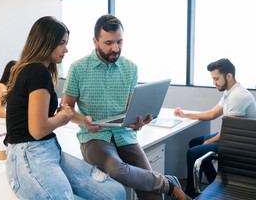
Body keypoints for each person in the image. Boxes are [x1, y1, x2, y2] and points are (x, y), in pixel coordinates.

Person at [63, 14, 191, 200]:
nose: (115, 48)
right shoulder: (78, 68)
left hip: (125, 134)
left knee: (152, 194)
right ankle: (168, 183)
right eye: (108, 43)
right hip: (94, 136)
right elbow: (66, 109)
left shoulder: (130, 68)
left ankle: (164, 185)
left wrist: (139, 121)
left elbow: (132, 108)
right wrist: (82, 120)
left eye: (119, 42)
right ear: (95, 41)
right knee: (116, 168)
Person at [1, 16, 125, 200]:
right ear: (45, 43)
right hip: (27, 154)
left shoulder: (35, 70)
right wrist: (62, 116)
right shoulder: (37, 71)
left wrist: (72, 118)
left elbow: (41, 124)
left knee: (116, 192)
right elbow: (38, 130)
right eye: (61, 43)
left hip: (49, 148)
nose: (65, 49)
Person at [174, 58, 256, 198]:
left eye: (216, 79)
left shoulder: (238, 96)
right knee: (194, 143)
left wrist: (209, 141)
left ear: (229, 76)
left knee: (193, 152)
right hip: (232, 135)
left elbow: (229, 132)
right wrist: (185, 114)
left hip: (240, 142)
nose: (214, 83)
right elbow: (212, 114)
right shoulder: (230, 91)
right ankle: (214, 181)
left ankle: (190, 194)